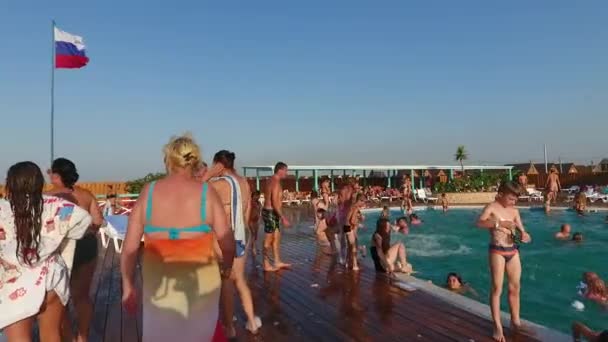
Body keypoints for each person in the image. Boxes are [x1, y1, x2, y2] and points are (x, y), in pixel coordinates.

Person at [120, 134, 235, 341]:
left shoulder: (149, 192)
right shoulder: (205, 193)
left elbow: (129, 248)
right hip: (202, 292)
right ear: (195, 161)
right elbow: (227, 244)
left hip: (160, 294)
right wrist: (225, 269)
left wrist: (127, 285)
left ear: (168, 160)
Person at [0, 161, 92, 341]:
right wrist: (57, 236)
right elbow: (84, 221)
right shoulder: (54, 204)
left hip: (16, 280)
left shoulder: (3, 207)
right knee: (52, 336)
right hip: (51, 276)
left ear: (10, 183)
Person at [201, 150, 261, 337]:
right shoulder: (244, 183)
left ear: (219, 164)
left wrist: (209, 174)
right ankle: (251, 321)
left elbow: (193, 190)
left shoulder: (218, 184)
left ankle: (229, 328)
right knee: (240, 280)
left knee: (226, 280)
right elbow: (247, 212)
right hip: (241, 236)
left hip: (224, 238)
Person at [45, 158, 104, 342]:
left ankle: (69, 337)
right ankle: (83, 337)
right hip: (86, 246)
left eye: (51, 173)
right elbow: (98, 221)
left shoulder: (49, 197)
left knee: (58, 299)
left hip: (60, 250)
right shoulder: (86, 195)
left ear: (56, 176)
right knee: (82, 296)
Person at [476, 181, 532, 342]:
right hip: (497, 251)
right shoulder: (492, 207)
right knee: (497, 288)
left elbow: (522, 230)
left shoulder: (514, 211)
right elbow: (479, 223)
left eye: (515, 199)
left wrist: (524, 235)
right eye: (511, 198)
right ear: (501, 193)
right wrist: (500, 223)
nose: (513, 202)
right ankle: (497, 325)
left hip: (513, 250)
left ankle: (515, 320)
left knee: (515, 287)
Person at [262, 162, 291, 272]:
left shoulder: (270, 180)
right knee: (268, 241)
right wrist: (283, 217)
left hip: (271, 212)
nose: (287, 173)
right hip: (271, 213)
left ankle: (277, 261)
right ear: (280, 170)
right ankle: (265, 263)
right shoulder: (275, 183)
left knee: (276, 237)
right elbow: (274, 202)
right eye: (286, 171)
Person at [345, 193, 366, 271]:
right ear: (360, 200)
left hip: (346, 227)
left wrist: (360, 218)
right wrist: (360, 225)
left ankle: (347, 262)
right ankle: (355, 265)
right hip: (349, 227)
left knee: (349, 246)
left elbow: (349, 218)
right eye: (364, 201)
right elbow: (352, 220)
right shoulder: (356, 207)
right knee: (353, 246)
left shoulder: (353, 206)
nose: (364, 203)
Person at [249, 190, 262, 256]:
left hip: (256, 221)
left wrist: (260, 219)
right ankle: (253, 249)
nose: (258, 197)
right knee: (253, 234)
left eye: (258, 195)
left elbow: (259, 212)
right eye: (256, 195)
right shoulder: (250, 202)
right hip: (250, 220)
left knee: (255, 236)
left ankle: (253, 247)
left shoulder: (259, 203)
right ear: (253, 196)